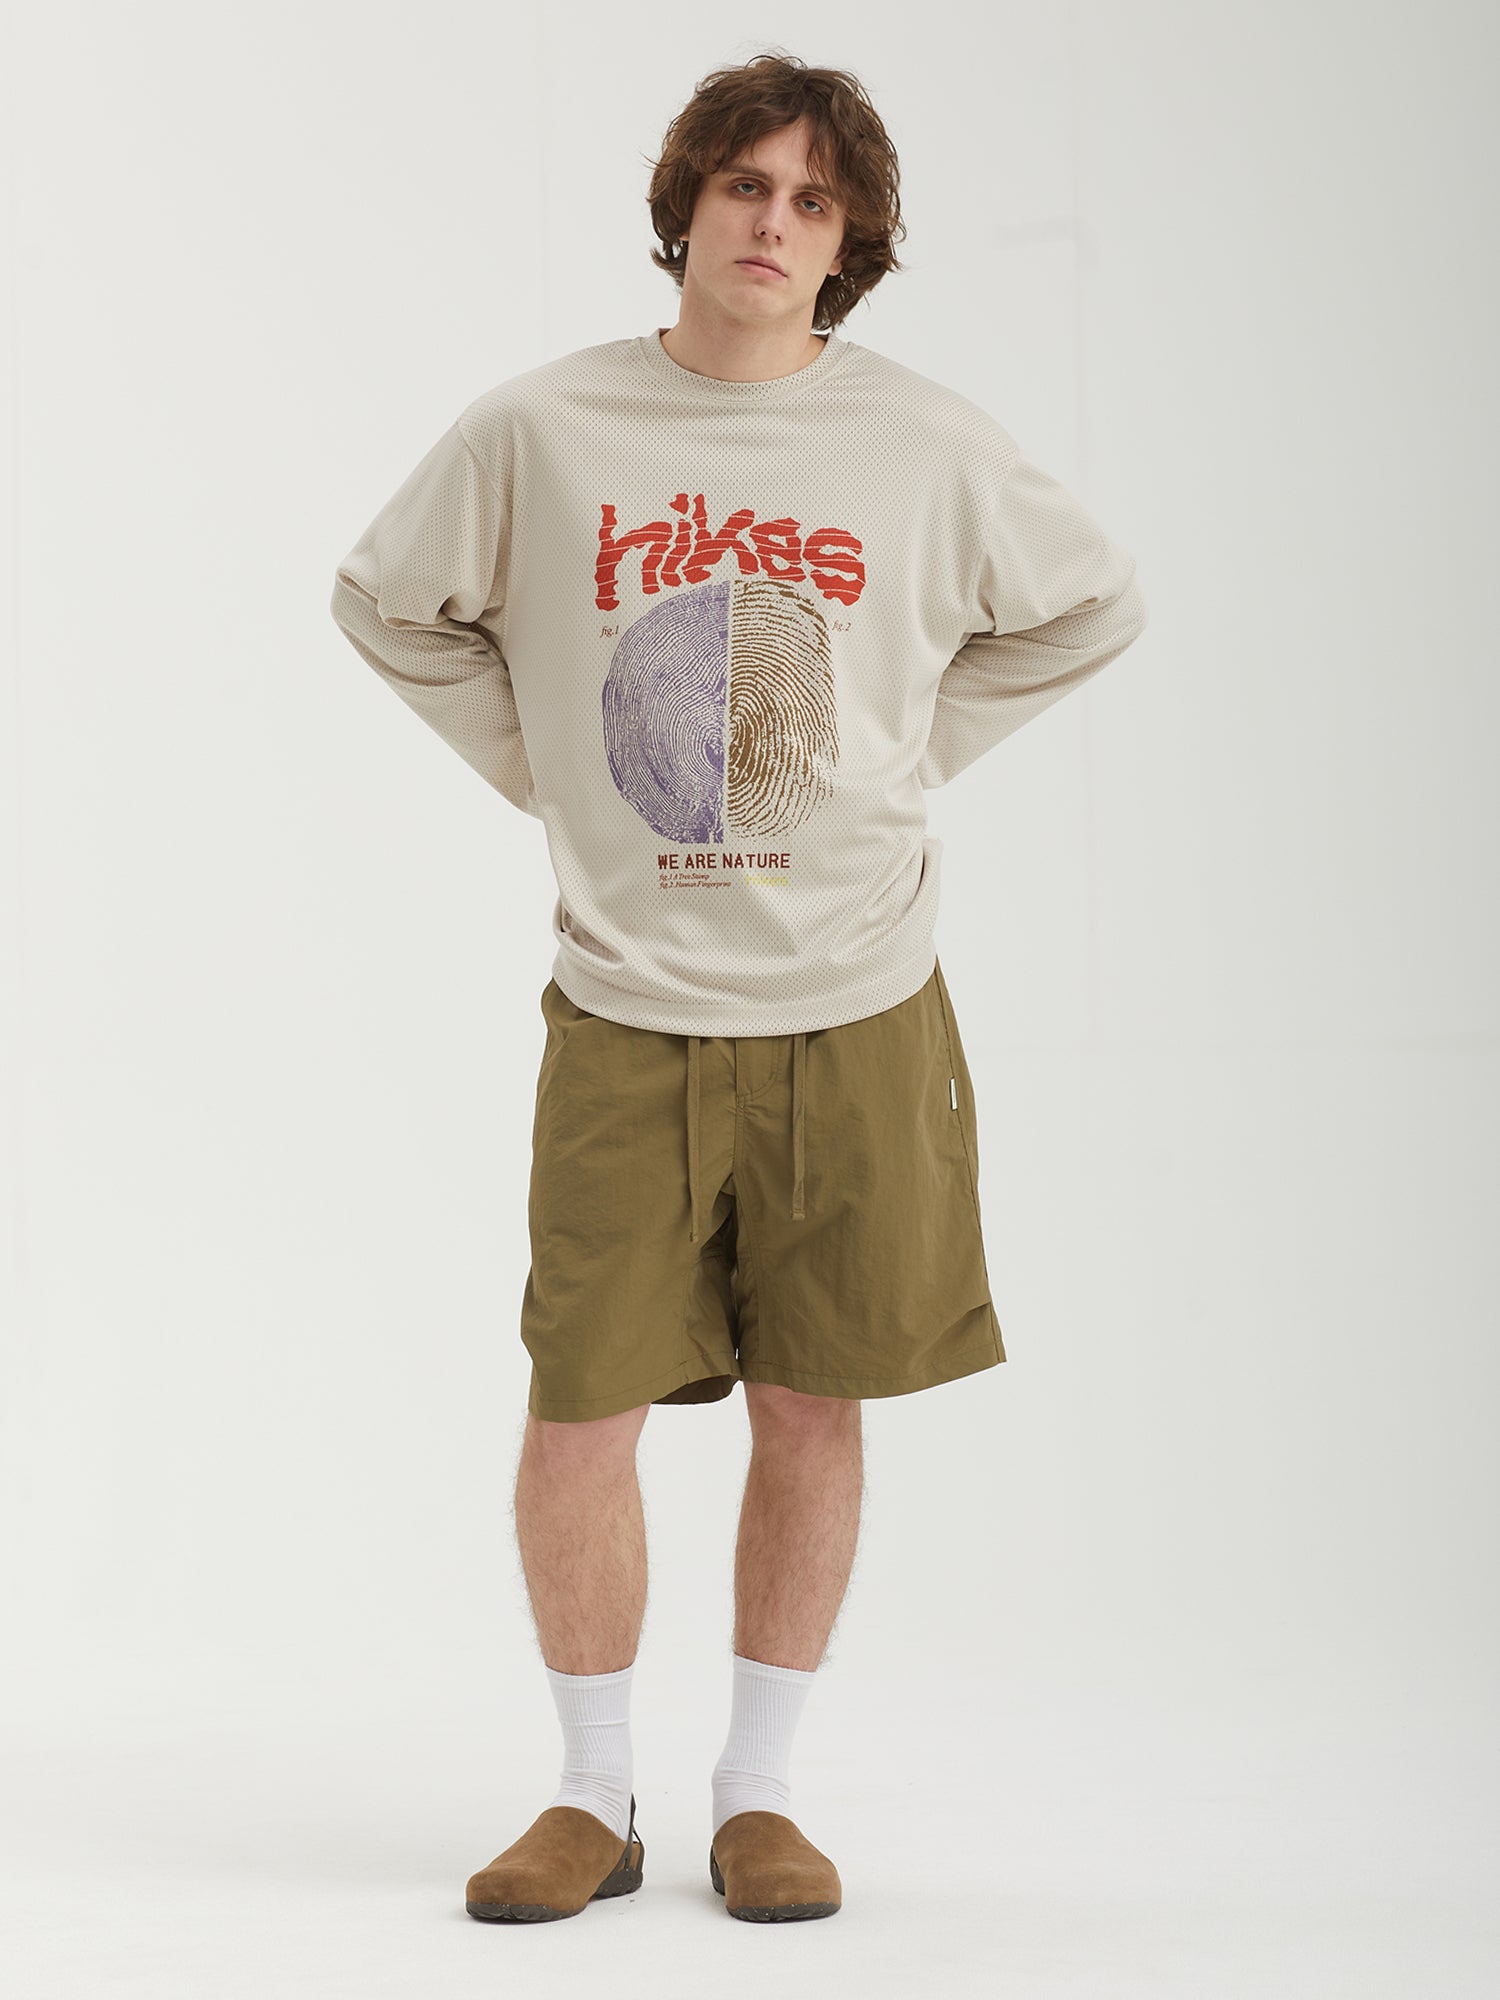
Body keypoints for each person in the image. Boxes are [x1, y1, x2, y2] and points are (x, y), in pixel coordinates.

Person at [329, 49, 1148, 1927]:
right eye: (743, 186)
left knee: (812, 1403)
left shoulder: (922, 443)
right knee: (580, 1411)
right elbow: (386, 601)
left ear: (848, 243)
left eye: (812, 200)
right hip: (627, 1003)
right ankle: (590, 1793)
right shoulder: (543, 428)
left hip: (855, 1003)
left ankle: (759, 1795)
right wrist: (547, 770)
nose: (772, 223)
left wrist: (909, 755)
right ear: (685, 207)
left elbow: (1093, 602)